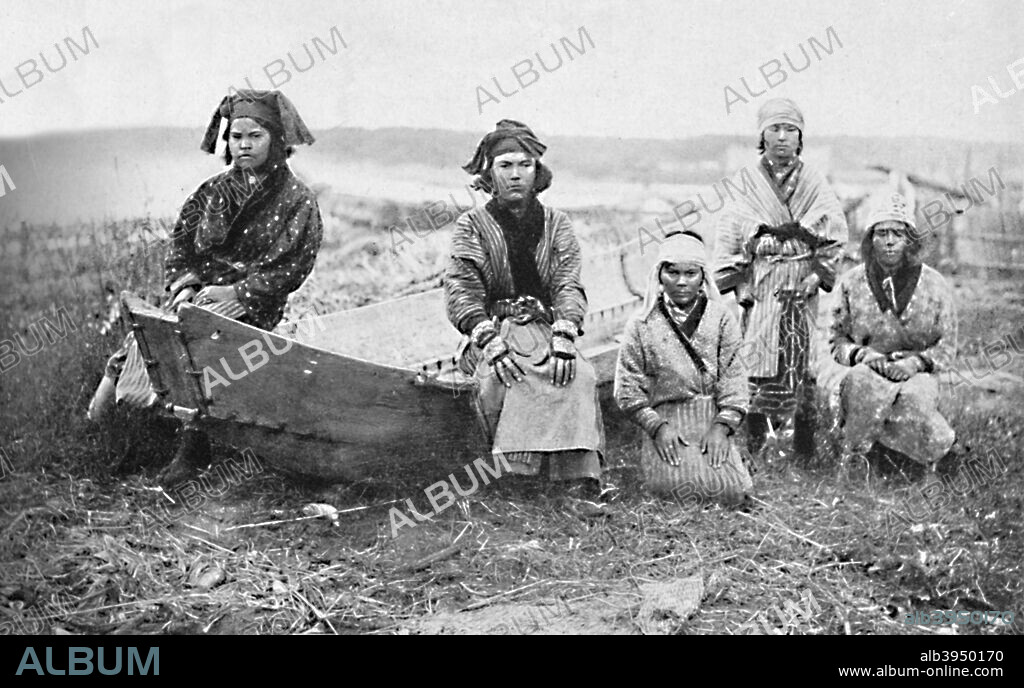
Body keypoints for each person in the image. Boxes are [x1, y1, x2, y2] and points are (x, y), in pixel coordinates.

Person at [87, 89, 323, 485]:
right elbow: (181, 247)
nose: (244, 145)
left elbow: (290, 267)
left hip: (253, 302)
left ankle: (192, 448)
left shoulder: (297, 199)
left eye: (255, 136)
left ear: (277, 141)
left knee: (201, 341)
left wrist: (235, 294)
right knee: (148, 336)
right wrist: (184, 289)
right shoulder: (211, 191)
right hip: (200, 293)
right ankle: (109, 431)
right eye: (236, 136)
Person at [443, 120, 604, 492]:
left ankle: (575, 477)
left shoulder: (557, 224)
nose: (516, 175)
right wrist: (489, 340)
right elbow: (461, 291)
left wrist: (564, 333)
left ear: (537, 171)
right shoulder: (472, 226)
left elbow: (567, 282)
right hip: (493, 332)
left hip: (546, 327)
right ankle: (513, 477)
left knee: (579, 375)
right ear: (489, 173)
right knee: (504, 376)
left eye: (524, 165)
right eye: (505, 166)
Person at [713, 97, 848, 459]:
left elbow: (833, 230)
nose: (783, 137)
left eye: (791, 130)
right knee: (756, 360)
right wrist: (739, 283)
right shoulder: (746, 182)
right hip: (760, 283)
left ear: (801, 137)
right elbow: (729, 231)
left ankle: (804, 445)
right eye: (775, 129)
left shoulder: (814, 181)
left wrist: (817, 276)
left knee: (799, 359)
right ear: (762, 135)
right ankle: (756, 444)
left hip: (799, 281)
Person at [614, 231, 751, 504]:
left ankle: (737, 462)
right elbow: (626, 389)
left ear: (703, 277)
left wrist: (722, 428)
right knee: (670, 488)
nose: (681, 282)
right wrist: (656, 427)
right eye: (672, 272)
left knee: (730, 491)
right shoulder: (641, 324)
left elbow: (735, 378)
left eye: (690, 273)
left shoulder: (722, 319)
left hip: (710, 418)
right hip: (666, 420)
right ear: (659, 276)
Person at [829, 192, 957, 467]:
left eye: (897, 234)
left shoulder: (934, 285)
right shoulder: (851, 283)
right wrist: (863, 356)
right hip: (870, 367)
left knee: (915, 398)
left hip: (916, 371)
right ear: (869, 240)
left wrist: (915, 363)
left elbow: (947, 345)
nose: (889, 241)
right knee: (859, 385)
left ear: (909, 240)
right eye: (881, 233)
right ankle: (860, 460)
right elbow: (836, 339)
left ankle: (915, 463)